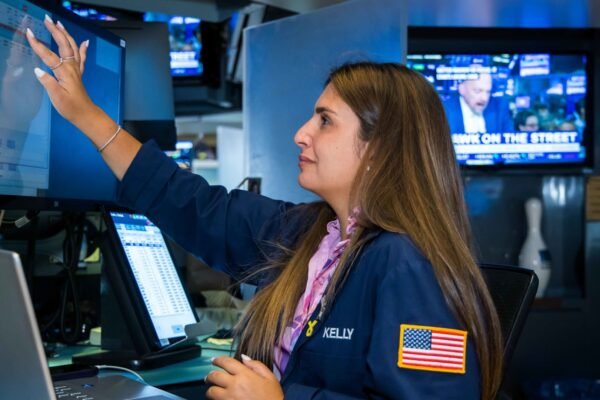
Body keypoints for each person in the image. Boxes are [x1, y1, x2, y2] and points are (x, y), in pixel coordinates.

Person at [26, 16, 503, 400]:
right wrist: (85, 114)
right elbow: (190, 203)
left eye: (325, 121)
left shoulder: (409, 267)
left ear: (379, 150)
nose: (301, 134)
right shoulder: (309, 235)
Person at [444, 66, 513, 134]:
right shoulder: (445, 110)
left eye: (488, 92)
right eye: (478, 91)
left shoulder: (499, 108)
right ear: (462, 89)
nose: (484, 98)